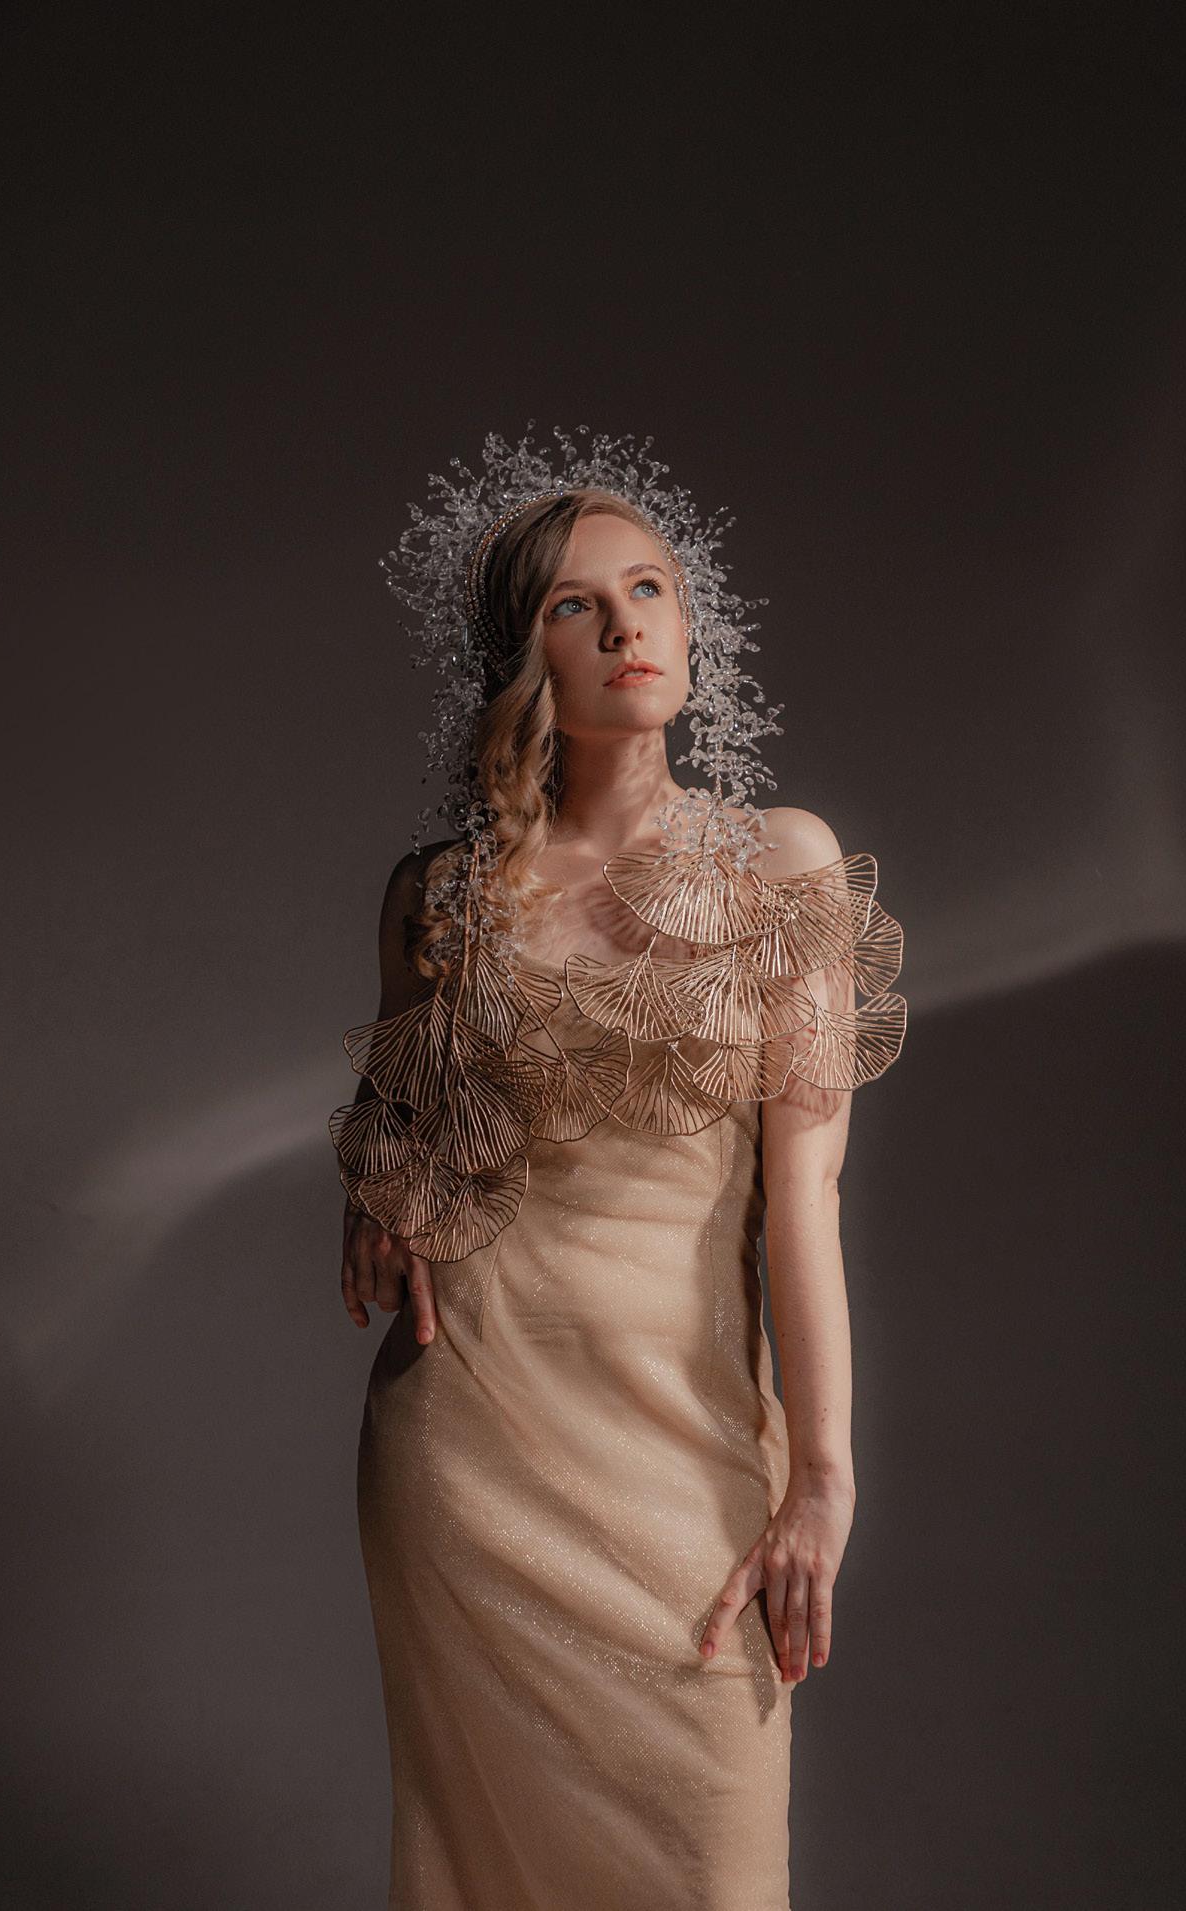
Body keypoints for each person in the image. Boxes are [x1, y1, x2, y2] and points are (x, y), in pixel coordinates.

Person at [333, 429, 906, 1909]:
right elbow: (404, 1132)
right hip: (469, 1454)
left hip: (685, 1461)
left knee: (714, 1868)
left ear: (693, 625)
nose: (626, 626)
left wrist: (823, 1481)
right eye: (574, 605)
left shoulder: (781, 867)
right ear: (521, 658)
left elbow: (809, 1194)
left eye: (650, 588)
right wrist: (383, 1188)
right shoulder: (440, 896)